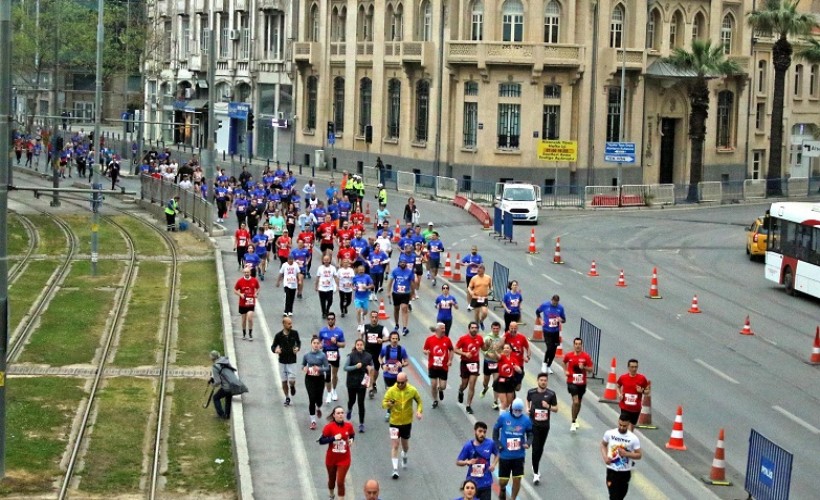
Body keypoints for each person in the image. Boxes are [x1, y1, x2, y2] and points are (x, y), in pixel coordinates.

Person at [382, 372, 423, 479]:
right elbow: (383, 403)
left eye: (402, 383)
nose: (399, 385)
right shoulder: (391, 390)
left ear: (406, 381)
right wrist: (389, 404)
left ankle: (404, 454)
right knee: (395, 445)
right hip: (394, 422)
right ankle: (395, 469)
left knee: (405, 445)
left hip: (406, 422)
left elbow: (419, 401)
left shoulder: (412, 390)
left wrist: (419, 411)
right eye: (398, 382)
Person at [493, 398, 533, 500]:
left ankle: (513, 498)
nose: (517, 413)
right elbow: (495, 430)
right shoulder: (503, 417)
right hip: (505, 455)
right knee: (503, 481)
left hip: (519, 456)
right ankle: (502, 489)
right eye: (515, 410)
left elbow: (530, 434)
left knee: (517, 479)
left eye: (519, 411)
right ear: (511, 408)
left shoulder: (526, 420)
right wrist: (497, 443)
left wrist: (528, 443)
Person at [526, 372, 558, 485]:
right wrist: (527, 408)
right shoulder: (531, 392)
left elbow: (556, 409)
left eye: (545, 380)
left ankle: (535, 465)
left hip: (545, 425)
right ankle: (535, 473)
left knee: (540, 448)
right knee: (535, 448)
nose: (543, 382)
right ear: (537, 381)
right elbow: (527, 399)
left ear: (547, 382)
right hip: (533, 425)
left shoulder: (551, 394)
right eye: (541, 380)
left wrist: (547, 406)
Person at [600, 416, 643, 500]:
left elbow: (639, 455)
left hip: (625, 472)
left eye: (624, 426)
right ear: (618, 422)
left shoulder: (633, 438)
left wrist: (626, 454)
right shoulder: (610, 433)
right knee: (614, 497)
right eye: (620, 425)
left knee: (620, 496)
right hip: (612, 471)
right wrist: (605, 457)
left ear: (628, 425)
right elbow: (603, 445)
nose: (622, 427)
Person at [319, 406, 356, 500]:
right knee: (332, 480)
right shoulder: (329, 427)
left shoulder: (349, 426)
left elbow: (352, 435)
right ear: (334, 415)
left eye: (342, 413)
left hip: (344, 459)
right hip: (331, 459)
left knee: (340, 482)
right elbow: (321, 441)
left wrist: (351, 440)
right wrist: (334, 438)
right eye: (338, 413)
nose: (340, 415)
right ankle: (331, 494)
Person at [456, 422, 499, 500]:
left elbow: (498, 454)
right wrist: (467, 462)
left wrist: (493, 464)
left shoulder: (490, 443)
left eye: (484, 432)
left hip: (486, 483)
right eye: (480, 431)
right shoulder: (468, 446)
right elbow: (458, 461)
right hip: (472, 485)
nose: (482, 434)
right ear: (475, 431)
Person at [563, 337, 594, 432]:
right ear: (574, 345)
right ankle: (573, 421)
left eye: (579, 344)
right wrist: (565, 371)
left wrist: (584, 367)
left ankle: (575, 418)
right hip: (572, 382)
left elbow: (591, 369)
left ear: (581, 345)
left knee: (579, 402)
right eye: (576, 344)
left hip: (582, 383)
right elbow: (564, 362)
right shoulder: (569, 355)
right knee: (575, 401)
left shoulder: (586, 356)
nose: (577, 346)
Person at [344, 339, 374, 432]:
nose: (360, 346)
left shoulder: (368, 356)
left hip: (362, 383)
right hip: (352, 382)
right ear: (355, 346)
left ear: (363, 346)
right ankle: (349, 409)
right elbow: (345, 367)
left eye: (361, 344)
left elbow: (372, 366)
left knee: (361, 403)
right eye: (358, 344)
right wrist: (355, 367)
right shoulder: (351, 356)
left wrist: (370, 368)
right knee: (352, 400)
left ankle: (361, 423)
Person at [455, 322, 484, 414]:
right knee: (464, 384)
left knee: (472, 384)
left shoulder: (479, 338)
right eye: (472, 328)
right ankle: (460, 391)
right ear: (469, 329)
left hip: (475, 363)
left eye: (476, 328)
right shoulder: (463, 339)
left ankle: (468, 405)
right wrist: (465, 354)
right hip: (465, 363)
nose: (474, 329)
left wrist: (488, 345)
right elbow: (455, 349)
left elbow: (483, 348)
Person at [422, 322, 454, 408]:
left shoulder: (447, 340)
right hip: (433, 366)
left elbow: (451, 350)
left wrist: (450, 360)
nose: (444, 330)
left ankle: (440, 390)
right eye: (442, 328)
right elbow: (424, 349)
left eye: (444, 328)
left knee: (443, 386)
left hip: (443, 367)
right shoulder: (429, 339)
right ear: (437, 329)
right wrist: (426, 352)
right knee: (433, 385)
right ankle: (435, 400)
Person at [272, 316, 302, 406]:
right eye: (289, 324)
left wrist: (297, 348)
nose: (290, 325)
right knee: (284, 380)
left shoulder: (294, 333)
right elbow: (273, 346)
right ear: (284, 324)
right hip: (282, 360)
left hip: (292, 360)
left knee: (291, 380)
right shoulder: (278, 335)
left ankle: (292, 386)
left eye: (291, 323)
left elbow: (298, 343)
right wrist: (275, 350)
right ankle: (287, 397)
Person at [378, 332, 409, 418]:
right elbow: (380, 357)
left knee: (398, 394)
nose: (394, 340)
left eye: (396, 339)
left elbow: (407, 362)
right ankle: (389, 411)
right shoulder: (385, 349)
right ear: (390, 339)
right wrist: (382, 364)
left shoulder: (401, 350)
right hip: (387, 375)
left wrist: (402, 365)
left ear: (398, 339)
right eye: (393, 338)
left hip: (398, 377)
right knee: (391, 393)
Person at [303, 336, 331, 430]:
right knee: (311, 398)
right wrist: (304, 368)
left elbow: (327, 368)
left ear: (320, 345)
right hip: (309, 379)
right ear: (311, 344)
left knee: (318, 399)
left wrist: (320, 369)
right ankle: (313, 421)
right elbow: (303, 365)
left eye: (317, 343)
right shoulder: (307, 355)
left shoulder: (322, 355)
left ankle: (318, 407)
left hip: (319, 378)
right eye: (314, 343)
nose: (316, 345)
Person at [361, 310, 390, 397]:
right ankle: (370, 388)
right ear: (370, 318)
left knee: (376, 369)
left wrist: (383, 340)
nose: (374, 319)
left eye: (375, 317)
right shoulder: (365, 327)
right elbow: (360, 334)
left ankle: (373, 383)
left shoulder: (382, 328)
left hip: (377, 352)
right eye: (372, 317)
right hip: (367, 352)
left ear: (378, 318)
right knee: (370, 369)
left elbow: (388, 337)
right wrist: (361, 343)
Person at [319, 313, 347, 403]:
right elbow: (318, 342)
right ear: (327, 320)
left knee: (334, 375)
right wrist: (320, 345)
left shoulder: (339, 331)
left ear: (335, 320)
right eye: (329, 319)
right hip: (325, 354)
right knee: (327, 375)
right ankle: (328, 393)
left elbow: (343, 345)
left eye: (332, 319)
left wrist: (336, 343)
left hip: (335, 354)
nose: (330, 320)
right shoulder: (322, 331)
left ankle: (334, 390)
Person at [535, 294, 566, 374]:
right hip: (547, 330)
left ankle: (549, 366)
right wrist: (541, 320)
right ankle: (544, 363)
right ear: (551, 300)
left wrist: (560, 320)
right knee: (549, 348)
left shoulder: (560, 308)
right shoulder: (545, 305)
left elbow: (564, 320)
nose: (555, 304)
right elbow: (537, 311)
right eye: (554, 302)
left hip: (555, 331)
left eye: (556, 302)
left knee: (554, 350)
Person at [616, 359, 650, 431]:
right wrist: (619, 394)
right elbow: (618, 385)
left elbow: (647, 391)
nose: (634, 369)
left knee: (631, 428)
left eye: (636, 367)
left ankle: (629, 439)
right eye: (632, 367)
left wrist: (642, 391)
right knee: (623, 426)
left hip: (636, 409)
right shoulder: (623, 377)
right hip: (625, 407)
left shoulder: (642, 378)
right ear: (628, 367)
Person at [387, 258, 414, 336]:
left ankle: (405, 328)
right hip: (396, 293)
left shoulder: (409, 272)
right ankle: (396, 324)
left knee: (404, 308)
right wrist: (388, 291)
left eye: (404, 262)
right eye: (401, 262)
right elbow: (390, 281)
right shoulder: (395, 271)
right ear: (399, 263)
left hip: (406, 293)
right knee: (396, 309)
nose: (402, 263)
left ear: (406, 263)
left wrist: (413, 293)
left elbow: (412, 283)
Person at [493, 343, 522, 412]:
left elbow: (520, 371)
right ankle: (502, 419)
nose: (506, 349)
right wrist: (494, 351)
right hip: (501, 382)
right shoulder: (502, 357)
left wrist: (518, 370)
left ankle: (502, 407)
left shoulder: (514, 359)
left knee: (508, 403)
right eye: (504, 348)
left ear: (511, 350)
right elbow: (497, 356)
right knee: (504, 403)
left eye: (508, 348)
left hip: (510, 382)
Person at [234, 266, 260, 340]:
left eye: (248, 272)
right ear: (243, 273)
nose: (246, 273)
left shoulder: (254, 280)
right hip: (242, 303)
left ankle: (250, 334)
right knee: (243, 319)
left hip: (251, 303)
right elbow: (235, 290)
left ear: (250, 273)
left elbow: (258, 288)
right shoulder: (240, 281)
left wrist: (256, 293)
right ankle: (244, 333)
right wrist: (240, 294)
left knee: (250, 318)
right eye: (245, 272)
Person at [209, 351, 236, 419]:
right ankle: (227, 415)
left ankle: (221, 415)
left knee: (216, 398)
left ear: (212, 358)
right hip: (234, 383)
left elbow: (218, 382)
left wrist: (213, 384)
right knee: (228, 398)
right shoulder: (225, 360)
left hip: (227, 387)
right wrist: (213, 377)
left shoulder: (215, 366)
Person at [467, 264, 492, 330]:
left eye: (479, 270)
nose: (478, 271)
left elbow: (491, 287)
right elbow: (469, 287)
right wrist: (471, 292)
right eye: (477, 270)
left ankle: (481, 321)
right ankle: (476, 325)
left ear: (483, 270)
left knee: (485, 312)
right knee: (477, 313)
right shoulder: (474, 278)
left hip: (484, 298)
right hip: (476, 298)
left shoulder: (488, 278)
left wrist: (490, 291)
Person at [315, 253, 339, 318]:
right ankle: (324, 313)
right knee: (322, 302)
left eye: (327, 260)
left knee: (330, 300)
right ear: (323, 260)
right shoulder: (320, 268)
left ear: (329, 260)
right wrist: (316, 286)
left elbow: (335, 277)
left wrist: (338, 285)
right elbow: (317, 277)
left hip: (330, 287)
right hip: (321, 288)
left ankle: (327, 309)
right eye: (325, 260)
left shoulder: (333, 268)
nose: (326, 261)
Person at [352, 263, 375, 328]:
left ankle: (363, 315)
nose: (361, 271)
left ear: (364, 270)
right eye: (360, 270)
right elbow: (352, 285)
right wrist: (353, 288)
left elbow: (372, 285)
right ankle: (359, 324)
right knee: (358, 311)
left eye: (362, 270)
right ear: (357, 270)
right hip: (357, 297)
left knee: (365, 311)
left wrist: (367, 287)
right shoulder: (355, 277)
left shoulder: (367, 277)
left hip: (365, 297)